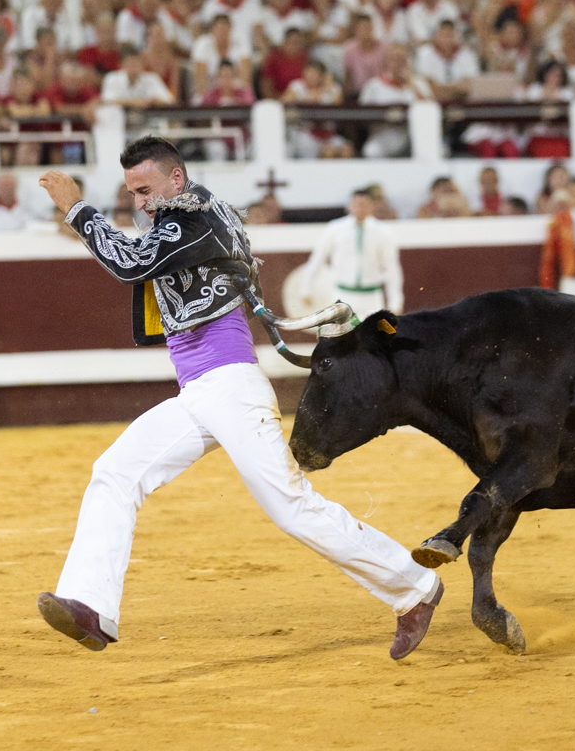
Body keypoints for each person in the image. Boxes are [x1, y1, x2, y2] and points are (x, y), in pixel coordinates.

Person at [36, 138, 442, 659]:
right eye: (132, 192)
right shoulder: (188, 215)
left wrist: (76, 208)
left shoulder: (193, 218)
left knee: (292, 507)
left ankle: (414, 586)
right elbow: (142, 249)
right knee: (115, 472)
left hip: (230, 387)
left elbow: (133, 264)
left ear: (176, 179)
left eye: (145, 189)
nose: (139, 201)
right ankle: (90, 606)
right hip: (200, 392)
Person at [301, 188, 403, 319]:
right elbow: (318, 258)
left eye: (363, 205)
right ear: (349, 206)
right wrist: (306, 288)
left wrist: (395, 302)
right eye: (356, 204)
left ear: (371, 206)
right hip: (343, 295)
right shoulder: (335, 229)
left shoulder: (383, 232)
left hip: (371, 296)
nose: (359, 209)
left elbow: (391, 268)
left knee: (372, 331)